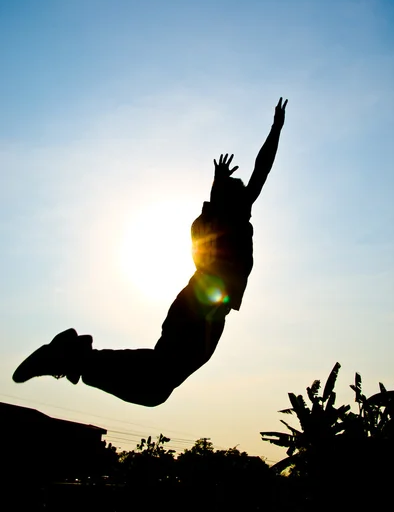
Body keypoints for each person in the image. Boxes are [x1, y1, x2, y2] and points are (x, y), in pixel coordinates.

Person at [12, 98, 288, 406]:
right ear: (229, 201)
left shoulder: (217, 218)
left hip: (208, 310)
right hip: (201, 306)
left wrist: (229, 173)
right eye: (239, 194)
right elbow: (259, 174)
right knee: (158, 379)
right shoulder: (222, 219)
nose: (247, 197)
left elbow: (253, 179)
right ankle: (71, 357)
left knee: (157, 386)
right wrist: (274, 131)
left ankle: (73, 356)